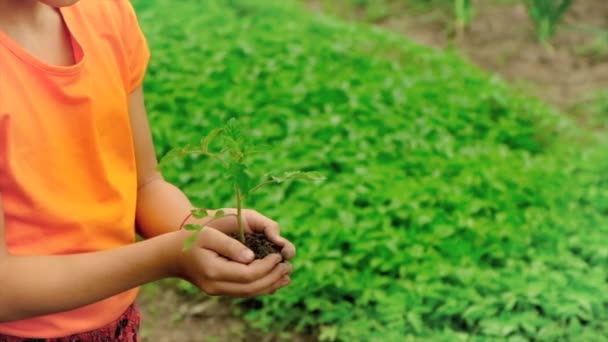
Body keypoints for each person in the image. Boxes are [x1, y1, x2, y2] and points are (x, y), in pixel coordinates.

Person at [0, 0, 296, 340]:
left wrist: (198, 229)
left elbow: (145, 184)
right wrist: (166, 258)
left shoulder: (106, 12)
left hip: (117, 324)